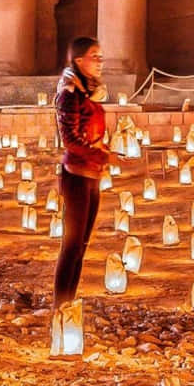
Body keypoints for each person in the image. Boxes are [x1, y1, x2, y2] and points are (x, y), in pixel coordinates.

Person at [52, 35, 108, 308]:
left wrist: (105, 151)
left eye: (100, 56)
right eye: (94, 56)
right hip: (76, 175)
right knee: (72, 244)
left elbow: (92, 132)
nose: (99, 61)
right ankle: (60, 306)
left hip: (93, 173)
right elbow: (70, 140)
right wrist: (103, 155)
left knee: (82, 244)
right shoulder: (69, 93)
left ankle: (68, 304)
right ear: (78, 60)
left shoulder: (90, 92)